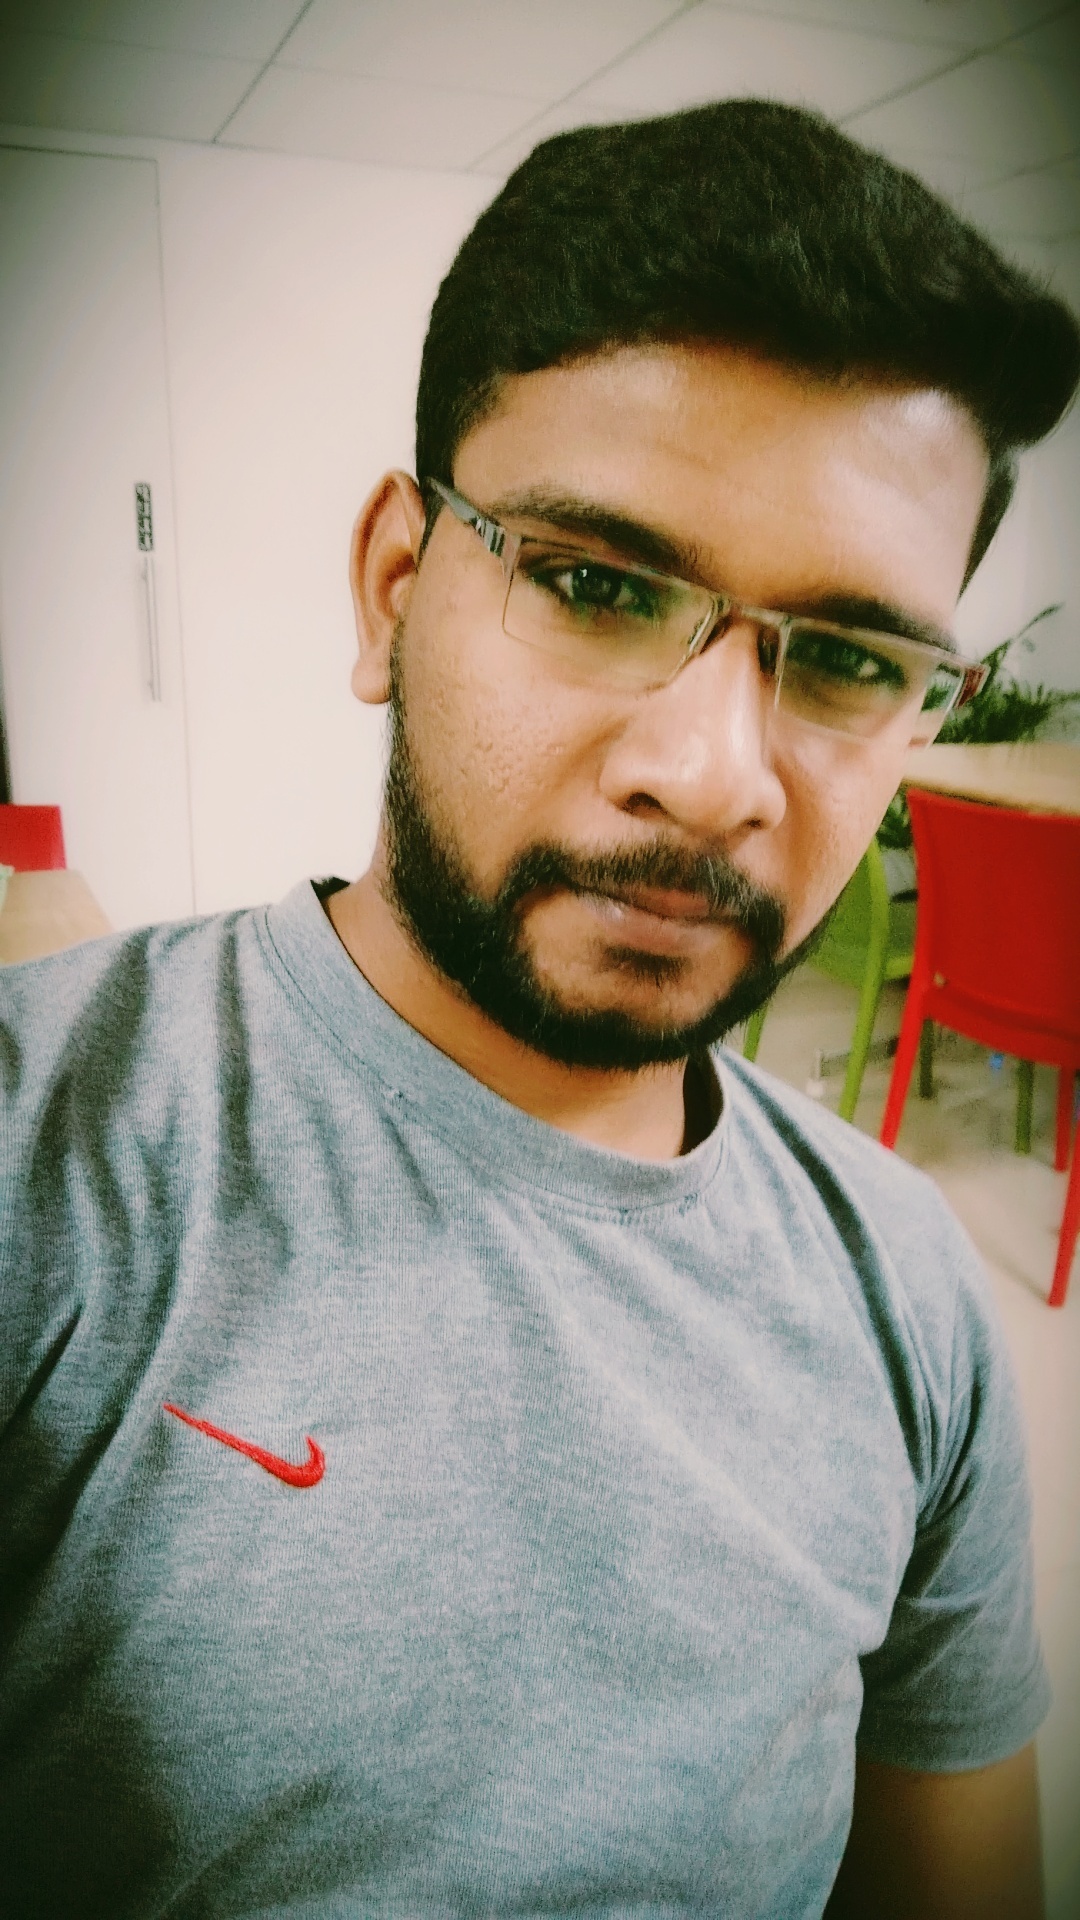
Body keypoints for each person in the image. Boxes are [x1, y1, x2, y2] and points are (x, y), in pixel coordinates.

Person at [1, 99, 1077, 1920]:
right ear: (394, 590)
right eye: (594, 584)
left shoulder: (910, 1297)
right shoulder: (48, 1164)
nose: (710, 773)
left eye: (845, 658)